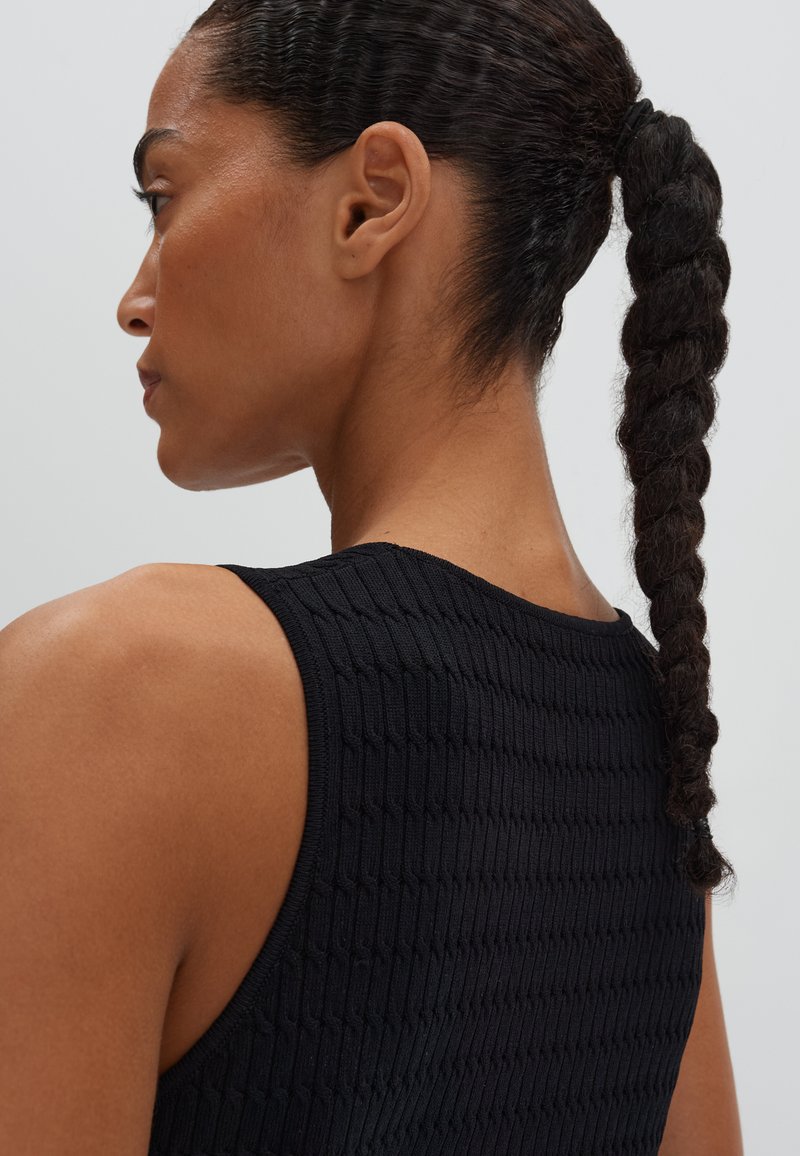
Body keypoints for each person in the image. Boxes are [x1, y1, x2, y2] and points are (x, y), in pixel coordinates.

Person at [1, 1, 743, 1152]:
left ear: (371, 200)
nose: (133, 298)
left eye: (164, 196)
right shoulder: (650, 731)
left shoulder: (117, 686)